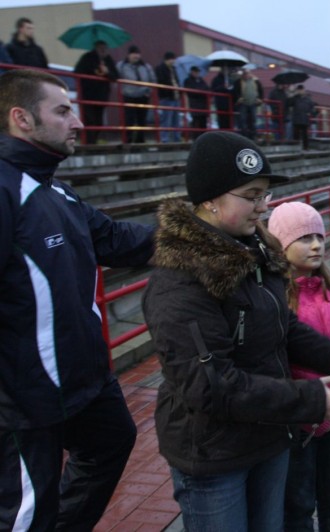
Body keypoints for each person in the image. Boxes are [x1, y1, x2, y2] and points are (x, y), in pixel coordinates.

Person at [141, 130, 330, 531]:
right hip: (215, 455)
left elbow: (281, 324)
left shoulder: (255, 251)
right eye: (251, 196)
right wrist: (309, 398)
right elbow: (211, 384)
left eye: (264, 195)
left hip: (267, 438)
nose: (263, 207)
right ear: (210, 200)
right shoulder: (180, 280)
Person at [0, 69, 154, 530]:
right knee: (26, 516)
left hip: (85, 382)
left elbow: (117, 239)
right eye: (63, 111)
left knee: (112, 440)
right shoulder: (6, 191)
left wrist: (199, 234)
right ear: (22, 118)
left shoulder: (56, 190)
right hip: (25, 402)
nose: (78, 122)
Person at [269, 202, 330, 532]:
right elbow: (280, 368)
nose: (316, 245)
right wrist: (310, 410)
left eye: (319, 237)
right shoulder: (278, 301)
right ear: (281, 247)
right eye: (304, 238)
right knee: (298, 504)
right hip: (299, 428)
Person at [74, 39, 119, 144]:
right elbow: (77, 71)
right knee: (90, 121)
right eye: (100, 48)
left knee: (99, 122)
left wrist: (107, 72)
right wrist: (93, 72)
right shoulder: (87, 58)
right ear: (96, 48)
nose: (103, 50)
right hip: (88, 95)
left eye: (105, 48)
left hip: (101, 96)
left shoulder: (108, 60)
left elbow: (116, 76)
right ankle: (89, 144)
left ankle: (93, 142)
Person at [117, 45, 155, 143]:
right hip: (128, 96)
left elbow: (153, 80)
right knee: (129, 120)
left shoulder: (146, 66)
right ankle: (128, 141)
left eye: (138, 54)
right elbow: (115, 78)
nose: (136, 56)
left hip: (143, 96)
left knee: (142, 120)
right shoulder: (121, 65)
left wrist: (148, 92)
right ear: (129, 55)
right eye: (134, 54)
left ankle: (140, 141)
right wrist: (122, 91)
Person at [154, 51, 182, 143]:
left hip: (175, 97)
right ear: (167, 59)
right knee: (166, 119)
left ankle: (176, 138)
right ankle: (164, 139)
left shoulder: (173, 69)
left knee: (176, 120)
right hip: (166, 97)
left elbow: (176, 80)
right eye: (171, 59)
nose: (173, 61)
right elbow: (161, 81)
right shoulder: (160, 68)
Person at [234, 68, 264, 140]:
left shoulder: (256, 81)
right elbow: (235, 91)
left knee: (253, 120)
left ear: (250, 74)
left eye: (247, 73)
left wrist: (260, 99)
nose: (246, 75)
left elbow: (261, 91)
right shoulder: (238, 82)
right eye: (245, 74)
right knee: (242, 120)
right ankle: (244, 135)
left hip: (253, 102)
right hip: (243, 103)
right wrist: (238, 98)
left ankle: (252, 135)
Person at [183, 65, 210, 139]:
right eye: (196, 72)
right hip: (194, 105)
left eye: (198, 72)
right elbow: (191, 92)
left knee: (203, 124)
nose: (197, 73)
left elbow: (207, 89)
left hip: (203, 106)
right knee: (195, 123)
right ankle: (195, 138)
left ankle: (203, 138)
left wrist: (201, 92)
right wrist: (201, 92)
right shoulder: (188, 81)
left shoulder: (201, 80)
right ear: (192, 72)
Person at [290, 84, 316, 151]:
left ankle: (306, 147)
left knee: (305, 134)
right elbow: (288, 103)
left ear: (304, 90)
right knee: (296, 134)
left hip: (305, 119)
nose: (300, 91)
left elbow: (312, 108)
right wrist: (292, 93)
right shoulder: (295, 98)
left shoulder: (308, 99)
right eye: (299, 90)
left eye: (301, 90)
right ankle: (295, 148)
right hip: (297, 118)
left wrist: (310, 113)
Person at [211, 66, 235, 130]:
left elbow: (233, 90)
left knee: (230, 123)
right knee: (222, 122)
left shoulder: (230, 80)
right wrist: (223, 87)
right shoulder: (216, 79)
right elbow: (213, 89)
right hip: (220, 104)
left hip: (229, 104)